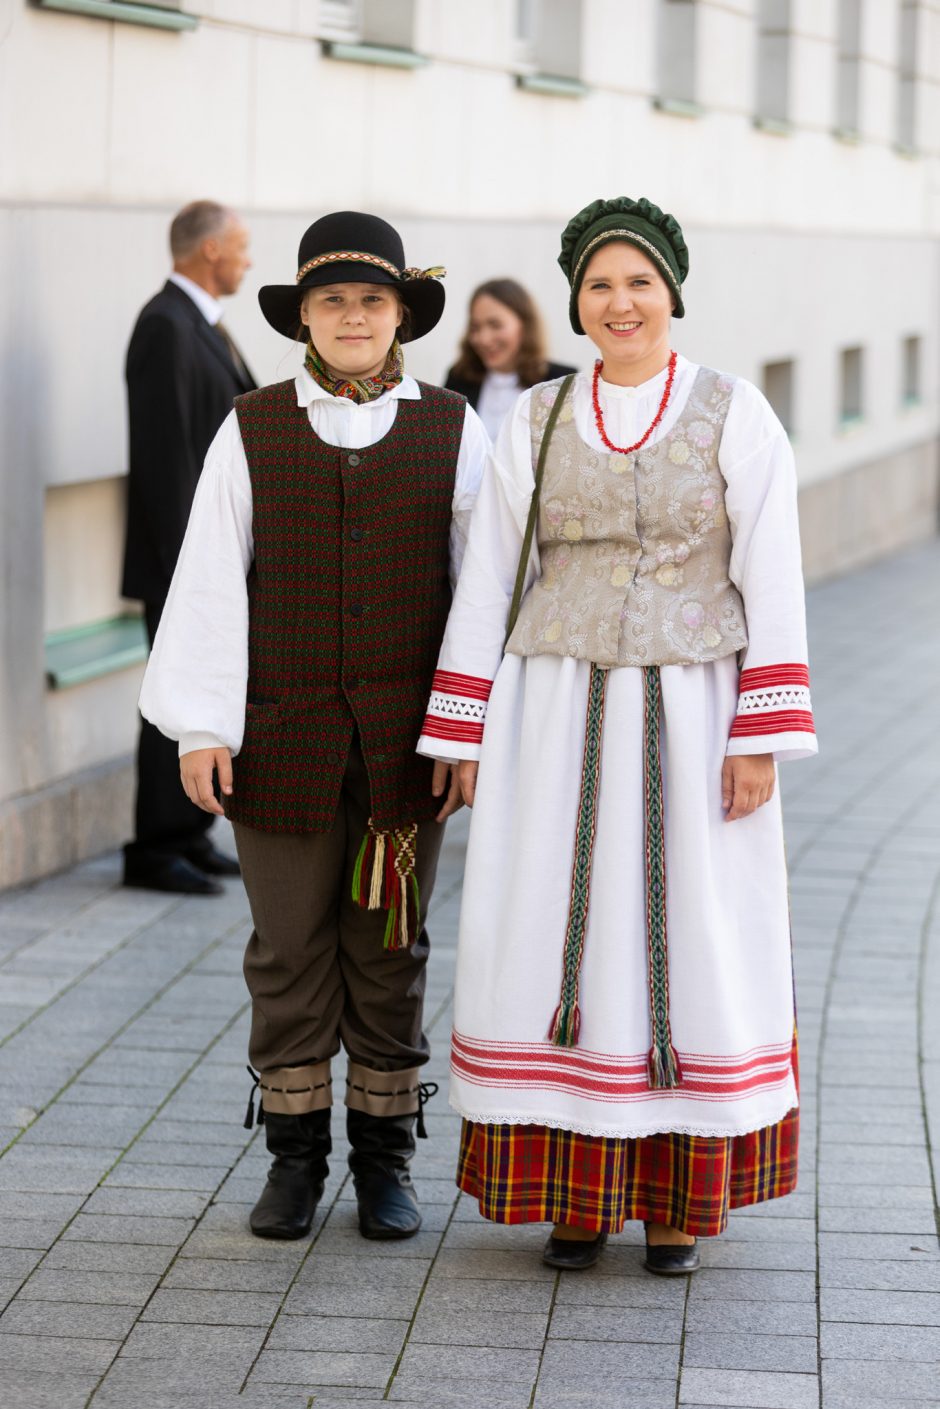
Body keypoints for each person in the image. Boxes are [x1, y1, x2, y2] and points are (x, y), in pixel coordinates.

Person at [418, 196, 817, 1274]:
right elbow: (491, 574)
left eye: (639, 281)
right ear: (577, 302)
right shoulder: (537, 418)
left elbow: (770, 571)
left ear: (671, 294)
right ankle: (575, 1194)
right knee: (559, 925)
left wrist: (758, 735)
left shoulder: (734, 411)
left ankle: (678, 1200)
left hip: (693, 714)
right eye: (600, 284)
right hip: (552, 710)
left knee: (690, 930)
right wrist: (460, 729)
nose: (620, 301)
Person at [139, 211, 488, 1243]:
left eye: (371, 301)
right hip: (279, 735)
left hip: (403, 749)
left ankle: (385, 1158)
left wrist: (463, 731)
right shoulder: (252, 425)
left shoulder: (452, 426)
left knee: (390, 944)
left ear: (399, 318)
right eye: (332, 301)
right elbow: (206, 579)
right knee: (288, 948)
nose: (352, 317)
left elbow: (482, 592)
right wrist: (201, 724)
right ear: (304, 315)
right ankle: (294, 1157)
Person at [122, 200, 256, 896]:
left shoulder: (198, 325)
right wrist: (192, 571)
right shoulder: (165, 327)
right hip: (180, 560)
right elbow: (165, 457)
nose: (248, 259)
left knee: (197, 695)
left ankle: (190, 832)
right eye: (241, 246)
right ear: (209, 251)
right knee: (169, 701)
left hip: (202, 558)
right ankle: (154, 846)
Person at [445, 278, 575, 441]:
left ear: (524, 325)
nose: (483, 339)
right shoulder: (458, 379)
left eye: (495, 325)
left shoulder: (562, 382)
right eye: (475, 327)